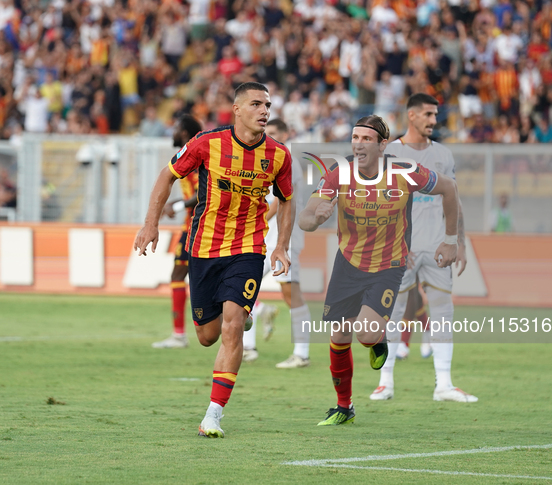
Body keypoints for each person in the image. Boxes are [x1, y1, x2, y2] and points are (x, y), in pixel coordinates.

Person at [134, 82, 293, 438]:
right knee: (207, 335)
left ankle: (213, 414)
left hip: (248, 248)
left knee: (232, 325)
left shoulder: (279, 155)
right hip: (203, 248)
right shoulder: (207, 142)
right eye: (256, 104)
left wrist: (281, 245)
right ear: (237, 109)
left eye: (267, 104)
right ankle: (244, 313)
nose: (264, 110)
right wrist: (150, 224)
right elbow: (167, 175)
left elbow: (287, 199)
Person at [299, 114, 460, 425]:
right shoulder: (339, 173)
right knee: (339, 334)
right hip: (348, 263)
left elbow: (449, 189)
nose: (358, 144)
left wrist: (450, 241)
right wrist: (317, 217)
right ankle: (344, 407)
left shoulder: (406, 172)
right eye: (355, 138)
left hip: (389, 264)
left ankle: (378, 339)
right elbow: (306, 217)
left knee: (366, 333)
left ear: (383, 144)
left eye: (366, 139)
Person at [370, 93, 477, 403]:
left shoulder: (444, 154)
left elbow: (453, 200)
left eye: (436, 114)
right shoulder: (388, 152)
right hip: (399, 248)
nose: (434, 120)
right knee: (391, 311)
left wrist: (459, 242)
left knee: (443, 310)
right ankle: (385, 382)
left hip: (437, 247)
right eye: (428, 114)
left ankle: (444, 384)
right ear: (412, 116)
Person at [242, 119, 312, 368]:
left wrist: (254, 222)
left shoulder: (288, 160)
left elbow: (279, 202)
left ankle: (302, 353)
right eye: (265, 132)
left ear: (286, 134)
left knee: (291, 294)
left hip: (285, 238)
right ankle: (248, 347)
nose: (266, 135)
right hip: (263, 239)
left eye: (273, 133)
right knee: (244, 290)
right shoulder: (266, 158)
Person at [152, 114, 203, 349]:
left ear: (184, 134)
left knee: (180, 276)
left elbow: (202, 193)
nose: (172, 132)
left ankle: (179, 335)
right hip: (192, 224)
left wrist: (177, 205)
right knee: (184, 275)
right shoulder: (189, 155)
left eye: (175, 129)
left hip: (197, 226)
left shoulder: (195, 156)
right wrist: (175, 203)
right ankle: (179, 334)